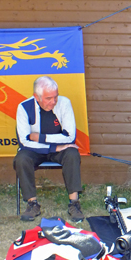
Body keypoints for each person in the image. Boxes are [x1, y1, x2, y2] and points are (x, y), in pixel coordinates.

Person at [14, 76, 83, 223]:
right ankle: (32, 204)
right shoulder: (24, 107)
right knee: (21, 158)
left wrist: (40, 138)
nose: (53, 101)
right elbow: (24, 141)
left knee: (72, 153)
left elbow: (69, 136)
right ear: (36, 97)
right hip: (34, 150)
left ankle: (74, 203)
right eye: (48, 98)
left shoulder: (65, 103)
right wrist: (55, 145)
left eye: (55, 97)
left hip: (57, 149)